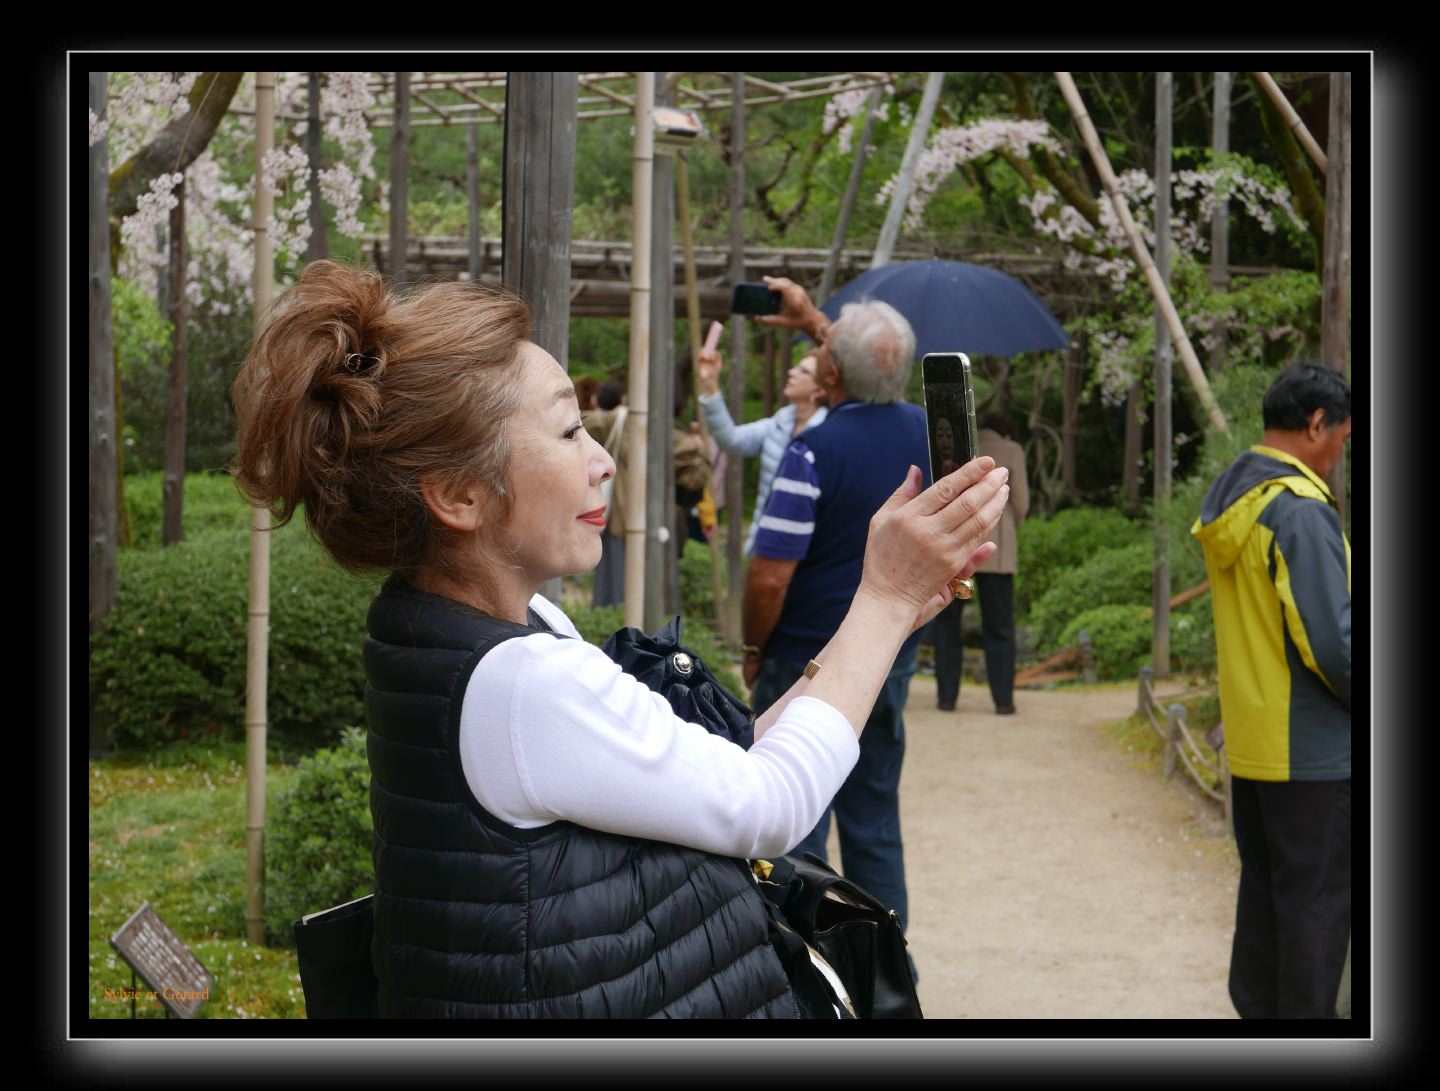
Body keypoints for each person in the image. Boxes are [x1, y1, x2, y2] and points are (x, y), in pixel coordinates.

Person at [230, 260, 1009, 1018]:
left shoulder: (477, 626)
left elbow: (729, 767)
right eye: (571, 430)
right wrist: (884, 596)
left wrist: (887, 617)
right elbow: (767, 806)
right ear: (459, 494)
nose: (603, 461)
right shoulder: (519, 683)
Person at [741, 275, 982, 944]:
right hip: (892, 653)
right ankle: (888, 964)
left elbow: (768, 577)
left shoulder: (812, 450)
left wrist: (754, 646)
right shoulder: (931, 444)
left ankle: (799, 962)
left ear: (829, 374)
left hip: (809, 661)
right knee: (875, 818)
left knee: (796, 822)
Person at [1190, 362, 1352, 1019]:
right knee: (1317, 910)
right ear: (1316, 424)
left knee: (1265, 901)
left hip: (1256, 745)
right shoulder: (1300, 513)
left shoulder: (1238, 501)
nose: (1340, 451)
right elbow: (1334, 644)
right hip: (1312, 748)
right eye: (1342, 436)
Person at [929, 411, 1030, 714]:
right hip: (996, 557)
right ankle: (1003, 701)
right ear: (1007, 432)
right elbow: (1021, 502)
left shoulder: (962, 446)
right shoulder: (1012, 450)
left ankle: (946, 698)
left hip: (961, 556)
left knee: (949, 623)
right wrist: (1009, 527)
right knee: (999, 626)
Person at [694, 349, 829, 555]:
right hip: (766, 540)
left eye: (803, 371)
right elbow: (731, 439)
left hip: (809, 548)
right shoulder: (780, 422)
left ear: (819, 390)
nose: (791, 372)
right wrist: (711, 386)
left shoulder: (828, 433)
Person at [583, 380, 629, 607]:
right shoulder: (628, 419)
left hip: (615, 507)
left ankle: (606, 610)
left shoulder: (612, 421)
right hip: (627, 507)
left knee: (611, 566)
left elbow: (579, 423)